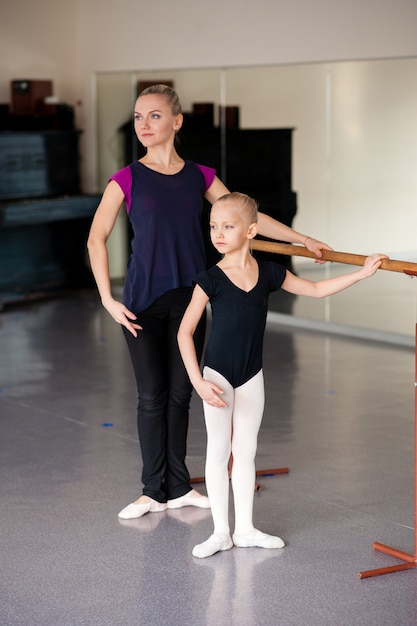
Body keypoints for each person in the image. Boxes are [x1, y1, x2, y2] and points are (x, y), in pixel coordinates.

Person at [87, 84, 332, 521]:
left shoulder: (199, 176)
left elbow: (245, 215)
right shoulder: (125, 178)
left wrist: (300, 239)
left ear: (176, 122)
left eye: (155, 116)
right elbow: (96, 238)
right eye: (139, 117)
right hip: (140, 301)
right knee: (151, 397)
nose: (144, 125)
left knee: (182, 393)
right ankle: (151, 490)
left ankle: (178, 487)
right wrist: (107, 298)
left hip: (190, 296)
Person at [177, 191, 387, 558]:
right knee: (217, 452)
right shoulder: (209, 279)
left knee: (245, 452)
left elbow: (318, 290)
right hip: (217, 376)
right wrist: (198, 381)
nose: (218, 233)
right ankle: (220, 532)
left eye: (228, 226)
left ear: (252, 230)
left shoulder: (271, 273)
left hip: (250, 375)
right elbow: (184, 332)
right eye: (213, 226)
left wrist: (363, 273)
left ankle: (245, 530)